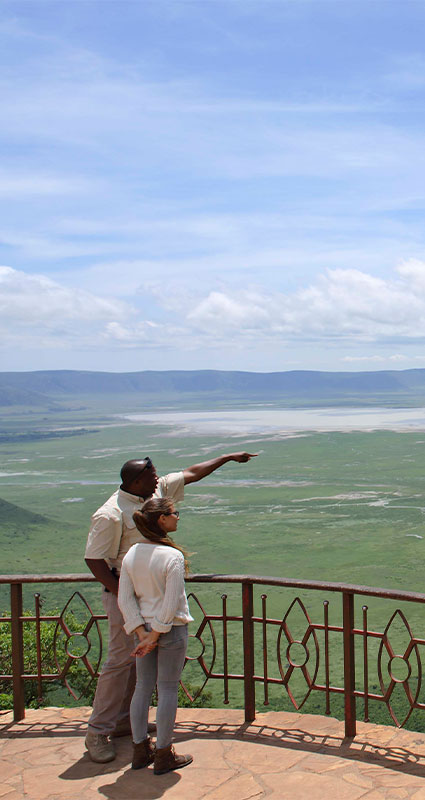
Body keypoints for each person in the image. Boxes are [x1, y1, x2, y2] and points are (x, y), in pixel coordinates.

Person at [84, 450, 257, 762]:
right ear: (137, 481)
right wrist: (130, 607)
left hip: (148, 596)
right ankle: (98, 732)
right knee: (121, 663)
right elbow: (95, 561)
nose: (158, 480)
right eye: (152, 476)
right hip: (129, 598)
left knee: (139, 672)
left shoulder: (154, 491)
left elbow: (190, 473)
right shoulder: (111, 513)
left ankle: (127, 724)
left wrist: (227, 458)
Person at [118, 497, 193, 775]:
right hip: (171, 630)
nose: (177, 517)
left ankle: (140, 750)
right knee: (168, 689)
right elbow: (172, 601)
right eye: (174, 513)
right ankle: (163, 753)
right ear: (161, 519)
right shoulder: (172, 556)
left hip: (144, 630)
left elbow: (125, 600)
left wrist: (142, 633)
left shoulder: (131, 554)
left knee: (142, 689)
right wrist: (158, 633)